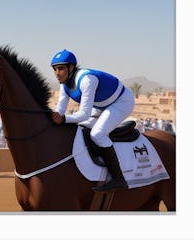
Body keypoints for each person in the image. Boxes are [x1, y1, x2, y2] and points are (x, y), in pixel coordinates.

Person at [51, 49, 135, 191]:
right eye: (54, 69)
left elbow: (83, 114)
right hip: (101, 105)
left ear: (71, 68)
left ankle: (119, 179)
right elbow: (59, 111)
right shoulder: (64, 85)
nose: (57, 73)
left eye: (60, 68)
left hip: (121, 101)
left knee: (97, 134)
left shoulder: (86, 80)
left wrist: (63, 119)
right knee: (80, 129)